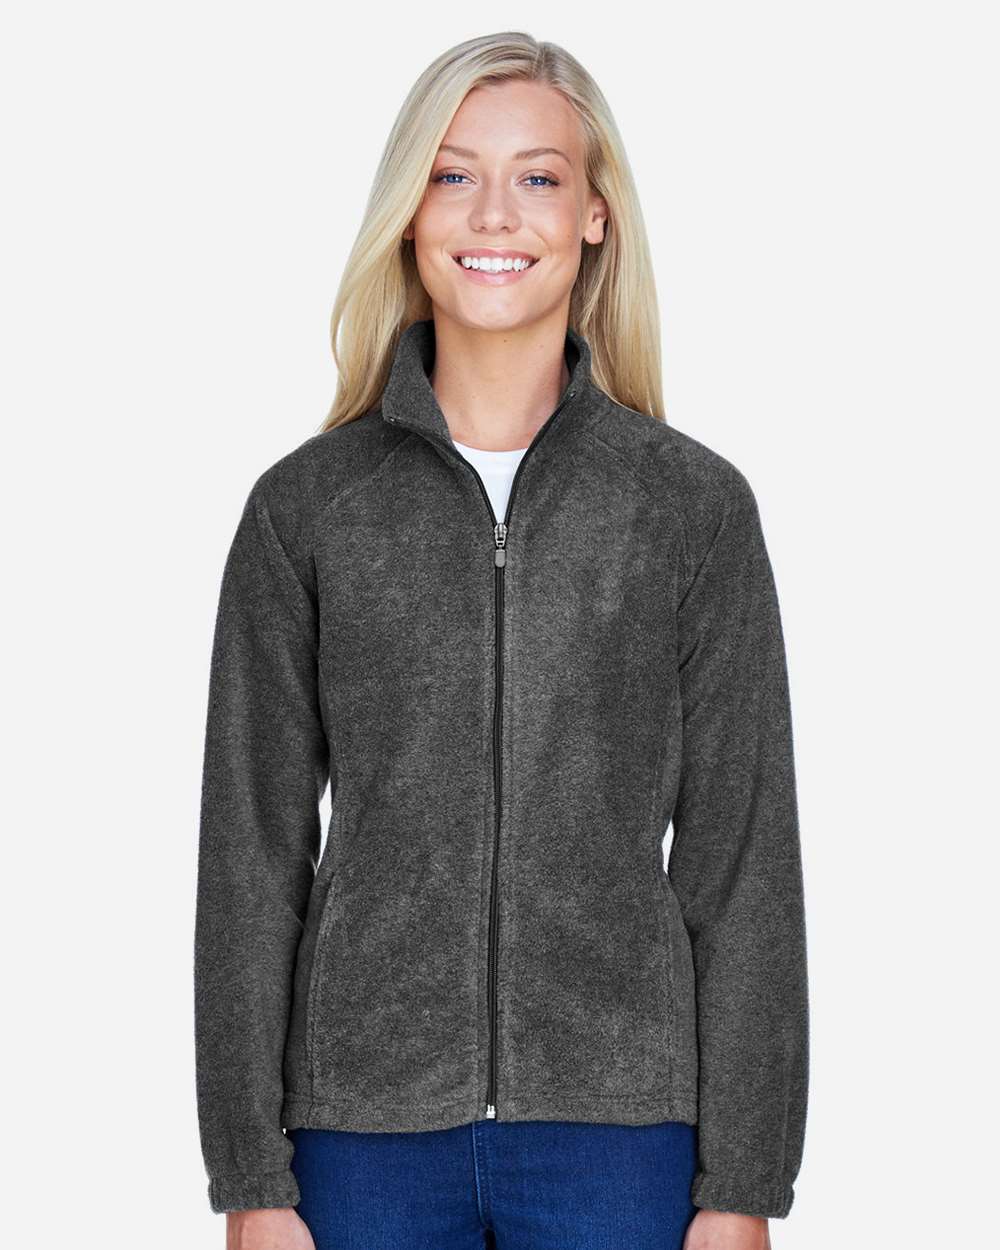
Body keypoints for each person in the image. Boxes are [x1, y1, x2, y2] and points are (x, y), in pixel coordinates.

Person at [194, 30, 810, 1250]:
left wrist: (743, 1180)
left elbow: (742, 860)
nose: (493, 214)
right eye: (451, 174)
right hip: (359, 1137)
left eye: (537, 176)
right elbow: (250, 856)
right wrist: (248, 1175)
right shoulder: (305, 510)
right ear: (408, 213)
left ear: (593, 215)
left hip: (620, 1136)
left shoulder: (690, 509)